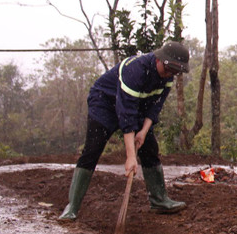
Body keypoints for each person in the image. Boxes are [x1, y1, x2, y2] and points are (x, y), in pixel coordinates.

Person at [59, 41, 190, 221]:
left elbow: (154, 108)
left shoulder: (167, 78)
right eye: (168, 70)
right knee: (93, 148)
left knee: (150, 147)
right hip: (105, 102)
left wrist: (143, 132)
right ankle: (72, 207)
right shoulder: (135, 69)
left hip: (136, 107)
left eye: (174, 72)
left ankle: (159, 201)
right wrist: (130, 157)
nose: (169, 75)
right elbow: (126, 114)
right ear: (159, 59)